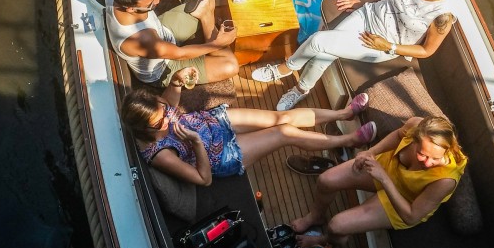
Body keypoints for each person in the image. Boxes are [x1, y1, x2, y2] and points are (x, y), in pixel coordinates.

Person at [251, 0, 465, 111]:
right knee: (327, 52)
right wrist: (361, 2)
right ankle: (301, 90)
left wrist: (388, 46)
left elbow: (427, 51)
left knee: (318, 42)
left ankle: (283, 69)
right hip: (367, 15)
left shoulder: (442, 14)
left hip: (380, 42)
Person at [121, 80, 376, 185]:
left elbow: (170, 102)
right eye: (158, 124)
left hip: (215, 121)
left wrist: (177, 80)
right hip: (219, 156)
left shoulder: (160, 109)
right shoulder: (160, 153)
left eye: (164, 113)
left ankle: (344, 114)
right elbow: (203, 179)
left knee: (281, 117)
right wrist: (197, 143)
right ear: (144, 129)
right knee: (284, 132)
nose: (166, 120)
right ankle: (350, 140)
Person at [291, 116, 467, 248]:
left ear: (448, 148)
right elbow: (398, 135)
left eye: (434, 158)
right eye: (422, 154)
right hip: (387, 167)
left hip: (404, 201)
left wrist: (382, 177)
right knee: (325, 180)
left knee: (336, 226)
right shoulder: (415, 125)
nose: (427, 163)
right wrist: (370, 153)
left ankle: (324, 241)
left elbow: (411, 216)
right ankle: (316, 216)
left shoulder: (444, 181)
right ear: (415, 139)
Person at [107, 0, 240, 87]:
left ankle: (211, 35)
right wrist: (218, 44)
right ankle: (215, 42)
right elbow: (179, 54)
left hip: (164, 32)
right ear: (131, 9)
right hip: (164, 67)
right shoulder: (141, 39)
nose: (158, 1)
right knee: (231, 66)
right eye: (151, 4)